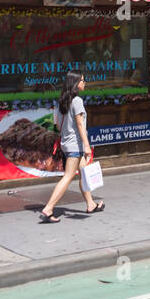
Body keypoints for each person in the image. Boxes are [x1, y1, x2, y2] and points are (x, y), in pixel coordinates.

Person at [38, 72, 104, 223]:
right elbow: (80, 124)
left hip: (67, 143)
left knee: (83, 173)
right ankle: (49, 208)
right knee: (68, 177)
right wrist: (87, 145)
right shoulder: (77, 101)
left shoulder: (62, 101)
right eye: (82, 80)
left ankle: (90, 204)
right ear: (75, 83)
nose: (84, 82)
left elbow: (56, 123)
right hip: (76, 145)